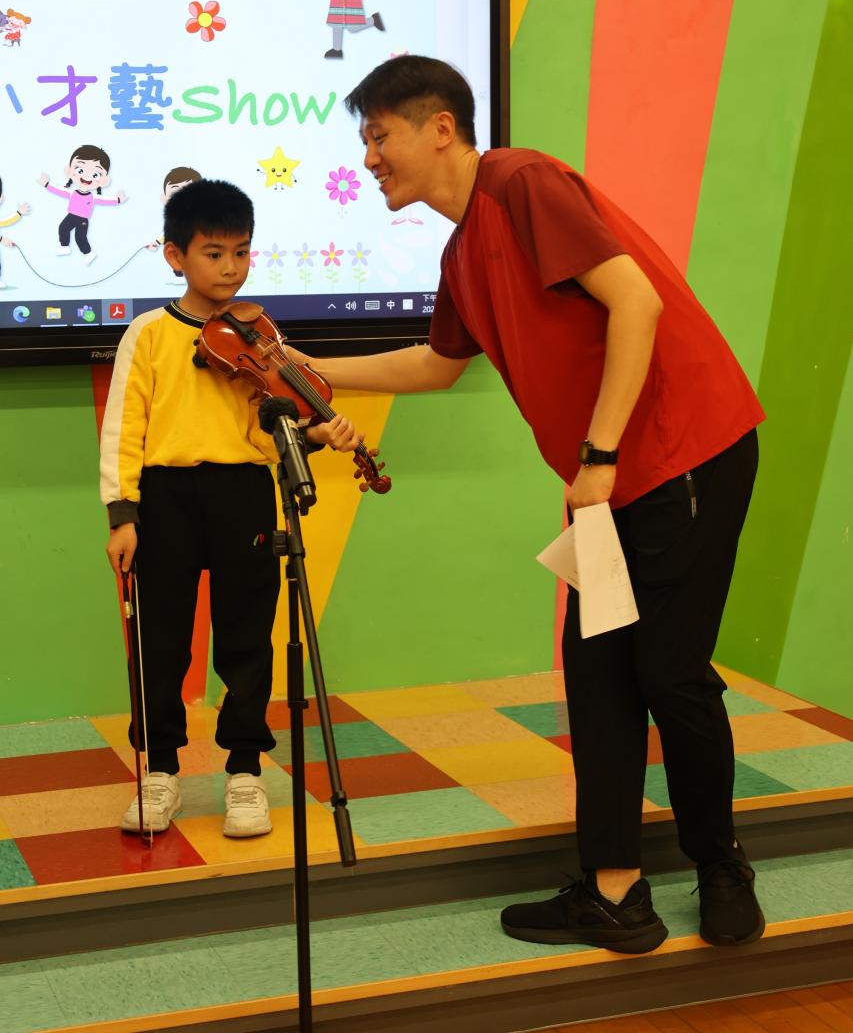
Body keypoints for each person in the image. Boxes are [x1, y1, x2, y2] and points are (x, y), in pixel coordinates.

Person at [298, 55, 766, 953]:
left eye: (379, 135)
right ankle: (616, 892)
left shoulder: (520, 182)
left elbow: (634, 302)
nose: (369, 158)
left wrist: (598, 454)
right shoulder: (460, 250)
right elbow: (437, 364)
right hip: (606, 488)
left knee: (668, 672)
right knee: (598, 678)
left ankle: (720, 864)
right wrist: (311, 372)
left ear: (440, 127)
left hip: (684, 453)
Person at [101, 180, 362, 838]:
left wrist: (315, 432)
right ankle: (160, 770)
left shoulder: (259, 336)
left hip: (244, 492)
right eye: (213, 253)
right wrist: (122, 513)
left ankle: (245, 770)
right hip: (164, 498)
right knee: (160, 643)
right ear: (175, 255)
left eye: (241, 252)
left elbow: (269, 432)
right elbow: (123, 428)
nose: (230, 268)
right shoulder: (148, 333)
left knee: (247, 638)